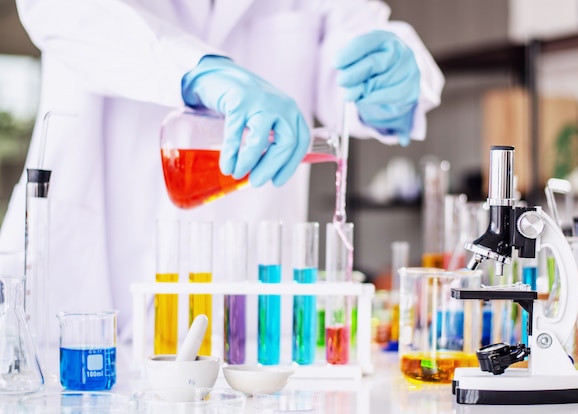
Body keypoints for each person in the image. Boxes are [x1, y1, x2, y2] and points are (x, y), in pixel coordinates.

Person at [2, 0, 444, 339]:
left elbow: (355, 46)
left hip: (247, 300)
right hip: (87, 279)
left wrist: (393, 81)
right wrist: (198, 71)